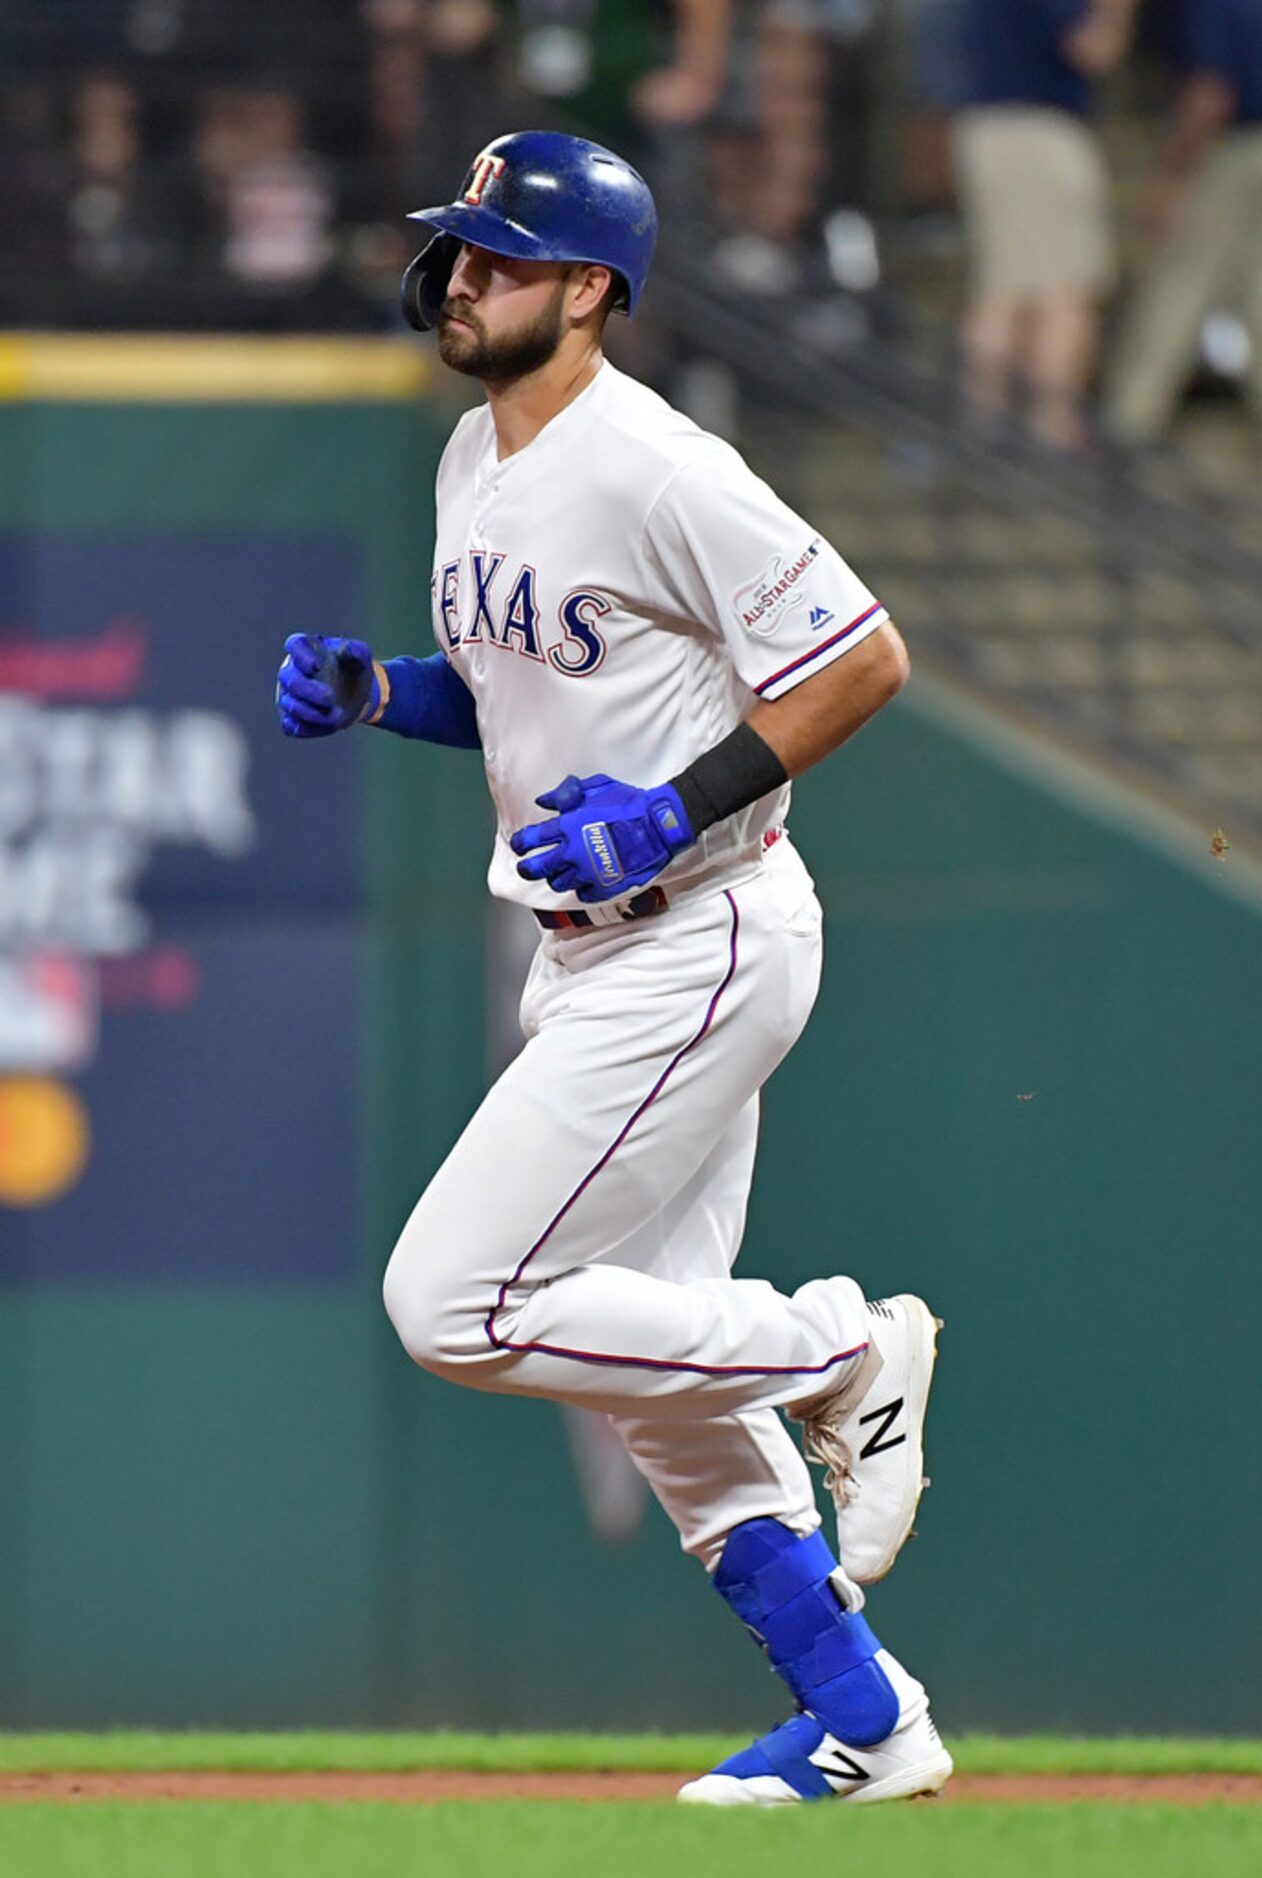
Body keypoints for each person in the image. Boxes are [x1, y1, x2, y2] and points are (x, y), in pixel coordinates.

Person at [275, 130, 951, 1806]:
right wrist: (383, 691)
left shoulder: (655, 464)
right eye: (460, 249)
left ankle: (841, 1348)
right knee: (644, 1376)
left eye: (503, 255)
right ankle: (863, 1716)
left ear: (591, 290)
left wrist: (669, 807)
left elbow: (859, 656)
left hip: (701, 934)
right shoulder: (469, 458)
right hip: (590, 957)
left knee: (454, 1299)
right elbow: (512, 689)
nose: (464, 276)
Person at [953, 0, 1137, 445]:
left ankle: (980, 433)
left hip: (985, 125)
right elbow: (1094, 50)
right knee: (1064, 292)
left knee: (1003, 289)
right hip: (1040, 131)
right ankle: (1050, 436)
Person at [1104, 0, 1262, 441]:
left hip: (1229, 153)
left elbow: (1210, 94)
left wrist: (1171, 176)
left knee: (1179, 286)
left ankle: (1128, 430)